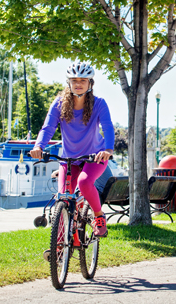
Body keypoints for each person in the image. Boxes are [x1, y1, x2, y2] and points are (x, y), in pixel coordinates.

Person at [30, 61, 115, 237]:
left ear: (90, 83)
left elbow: (107, 127)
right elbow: (48, 128)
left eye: (83, 80)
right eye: (74, 80)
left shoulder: (99, 103)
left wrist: (108, 149)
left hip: (95, 157)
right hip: (69, 158)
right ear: (68, 82)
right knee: (63, 198)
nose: (78, 84)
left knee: (84, 183)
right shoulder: (59, 103)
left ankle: (99, 216)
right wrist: (39, 146)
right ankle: (61, 248)